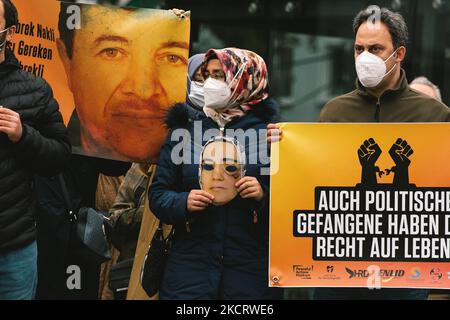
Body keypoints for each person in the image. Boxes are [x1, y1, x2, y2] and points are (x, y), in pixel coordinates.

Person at [149, 47, 281, 299]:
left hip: (248, 278)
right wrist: (182, 202)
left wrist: (262, 196)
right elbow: (158, 195)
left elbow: (293, 209)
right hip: (188, 277)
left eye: (219, 75)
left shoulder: (271, 136)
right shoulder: (185, 132)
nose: (210, 83)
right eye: (207, 75)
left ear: (244, 80)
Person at [0, 0, 71, 300]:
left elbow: (59, 156)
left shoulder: (35, 89)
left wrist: (23, 135)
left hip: (14, 246)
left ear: (9, 32)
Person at [57, 3, 190, 162]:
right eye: (111, 52)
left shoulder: (198, 152)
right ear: (67, 63)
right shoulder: (52, 154)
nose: (144, 90)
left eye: (172, 58)